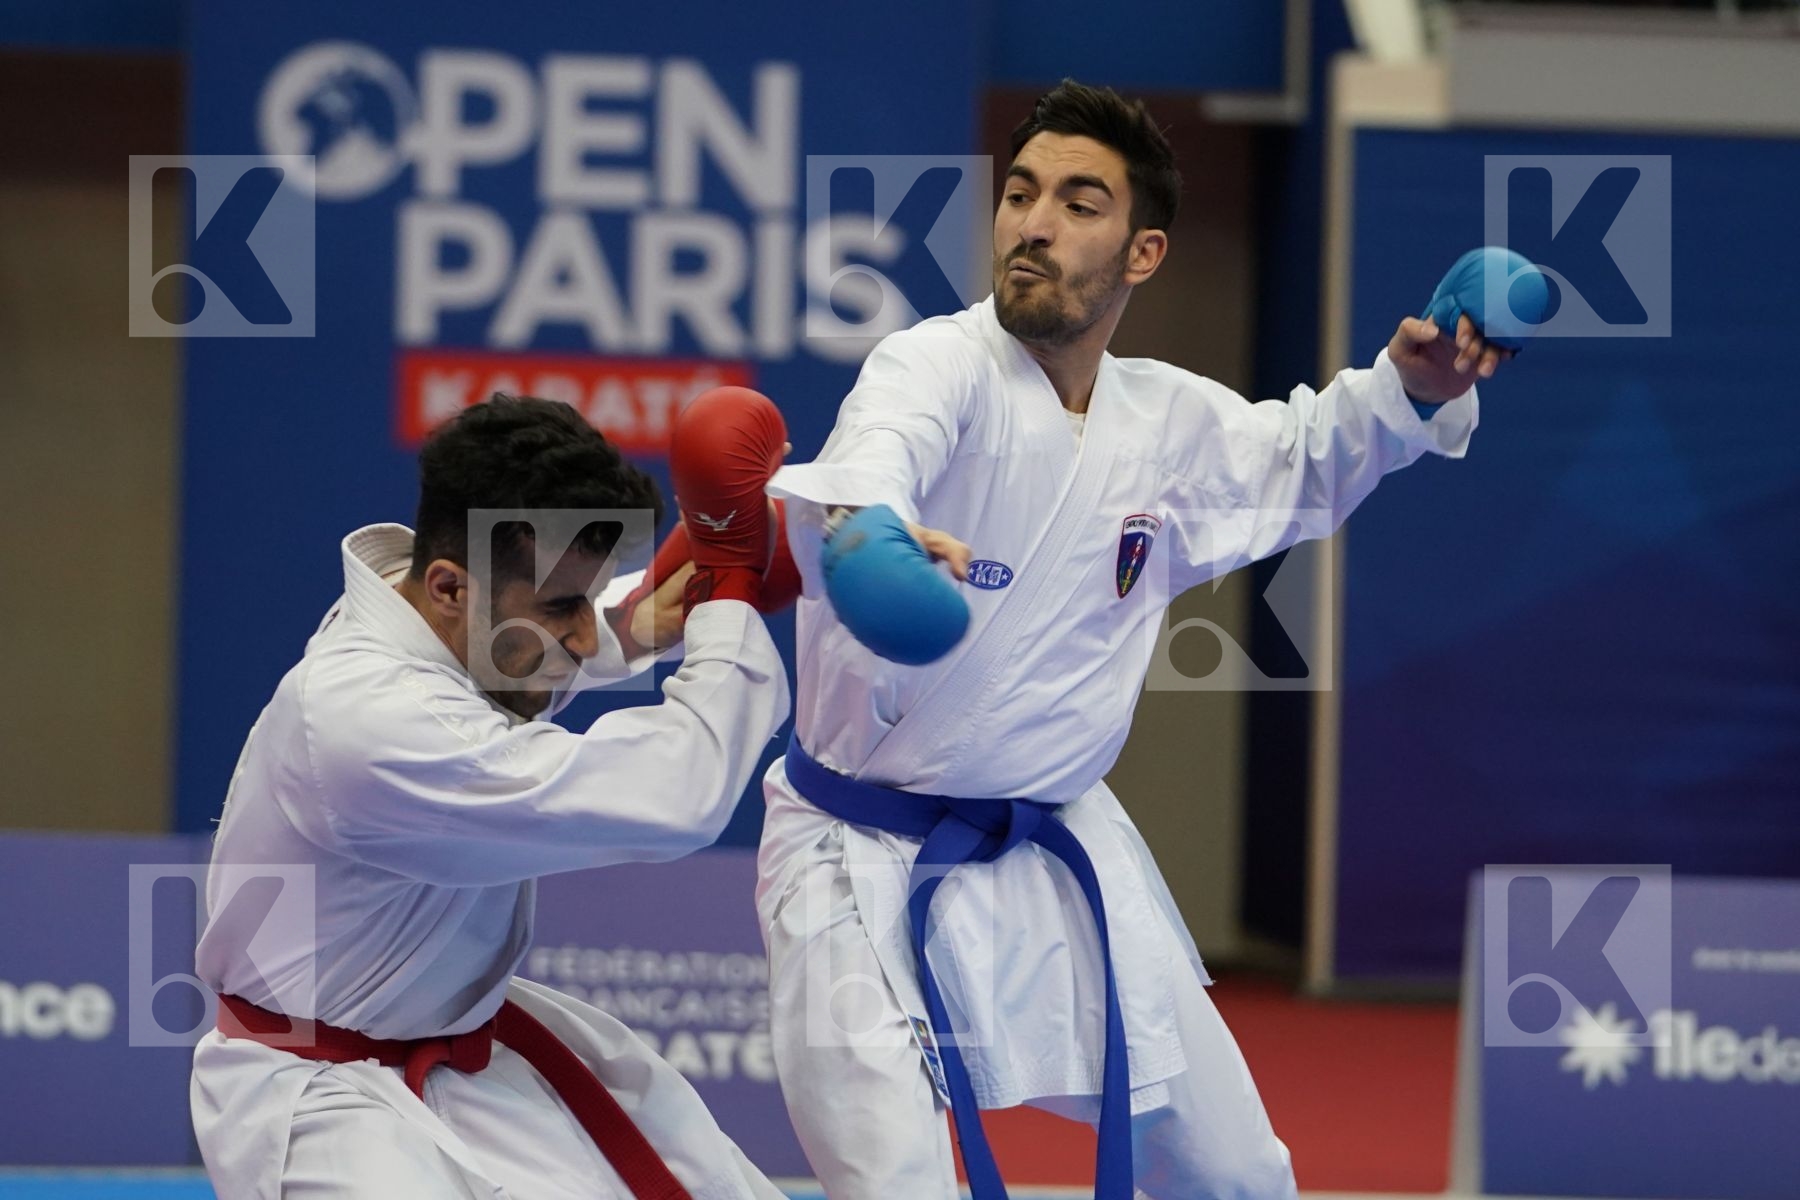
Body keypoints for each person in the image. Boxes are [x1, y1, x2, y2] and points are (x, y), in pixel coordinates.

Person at [751, 80, 1513, 1198]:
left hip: (1060, 846)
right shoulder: (935, 365)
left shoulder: (1168, 422)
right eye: (1019, 195)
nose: (1034, 223)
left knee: (1242, 1175)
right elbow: (875, 463)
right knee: (900, 1186)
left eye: (1077, 200)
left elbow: (1303, 455)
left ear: (1143, 251)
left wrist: (1410, 387)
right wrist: (873, 537)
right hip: (856, 859)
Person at [191, 393, 794, 1200]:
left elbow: (500, 668)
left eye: (590, 598)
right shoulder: (363, 720)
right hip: (324, 1105)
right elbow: (675, 797)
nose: (582, 635)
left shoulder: (426, 624)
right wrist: (729, 611)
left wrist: (632, 622)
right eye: (563, 608)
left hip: (472, 1051)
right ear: (447, 587)